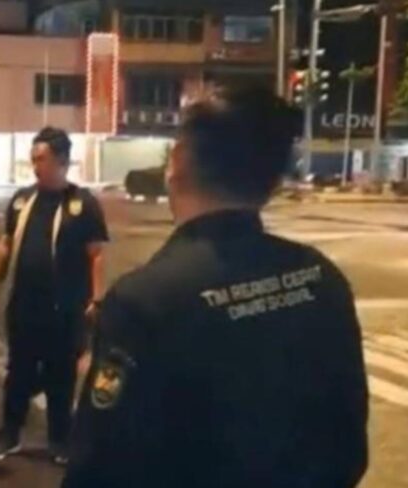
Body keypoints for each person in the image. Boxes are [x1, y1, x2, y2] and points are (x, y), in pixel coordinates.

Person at [63, 87, 369, 488]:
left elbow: (99, 466)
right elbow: (348, 441)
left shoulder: (144, 301)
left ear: (176, 162)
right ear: (272, 180)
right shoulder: (320, 277)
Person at [0, 127, 109, 465]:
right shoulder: (22, 200)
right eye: (34, 159)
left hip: (65, 310)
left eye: (42, 159)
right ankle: (8, 434)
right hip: (24, 305)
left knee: (61, 377)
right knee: (18, 374)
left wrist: (96, 300)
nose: (36, 165)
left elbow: (96, 254)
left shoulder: (83, 204)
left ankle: (60, 440)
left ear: (62, 161)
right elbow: (6, 245)